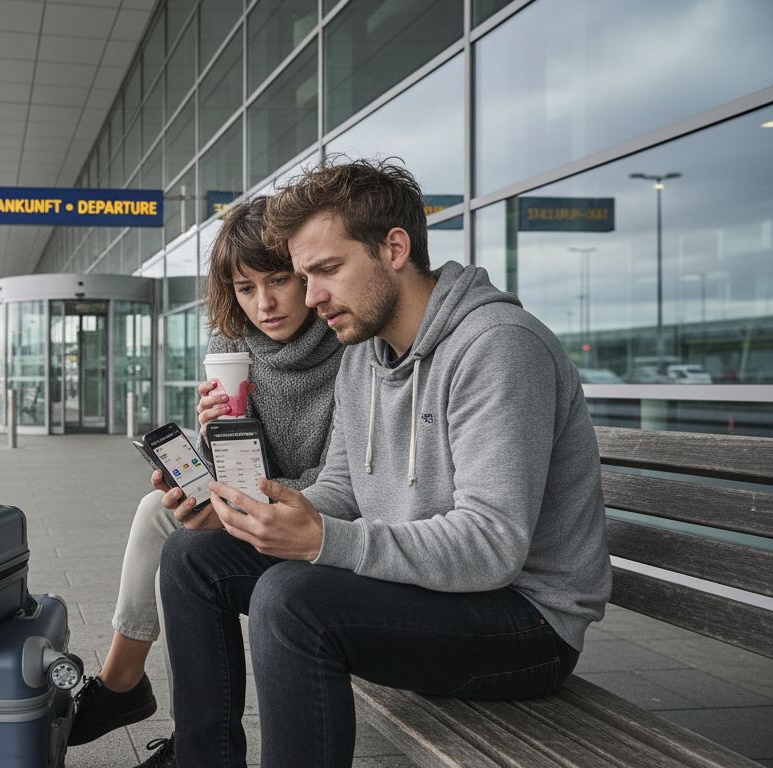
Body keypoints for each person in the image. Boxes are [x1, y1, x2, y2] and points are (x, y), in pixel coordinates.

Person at [158, 158, 612, 768]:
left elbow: (493, 544)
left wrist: (323, 542)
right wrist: (249, 514)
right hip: (424, 587)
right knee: (194, 557)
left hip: (524, 621)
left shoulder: (499, 347)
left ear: (394, 247)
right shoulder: (364, 353)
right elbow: (343, 487)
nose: (312, 297)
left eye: (326, 270)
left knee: (293, 601)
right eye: (305, 274)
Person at [66, 197, 343, 766]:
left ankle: (136, 702)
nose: (264, 303)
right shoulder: (232, 343)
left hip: (326, 516)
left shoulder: (347, 342)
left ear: (305, 273)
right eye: (245, 288)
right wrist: (214, 437)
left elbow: (342, 480)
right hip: (266, 493)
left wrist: (238, 501)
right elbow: (242, 465)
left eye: (280, 280)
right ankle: (124, 682)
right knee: (160, 509)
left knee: (191, 556)